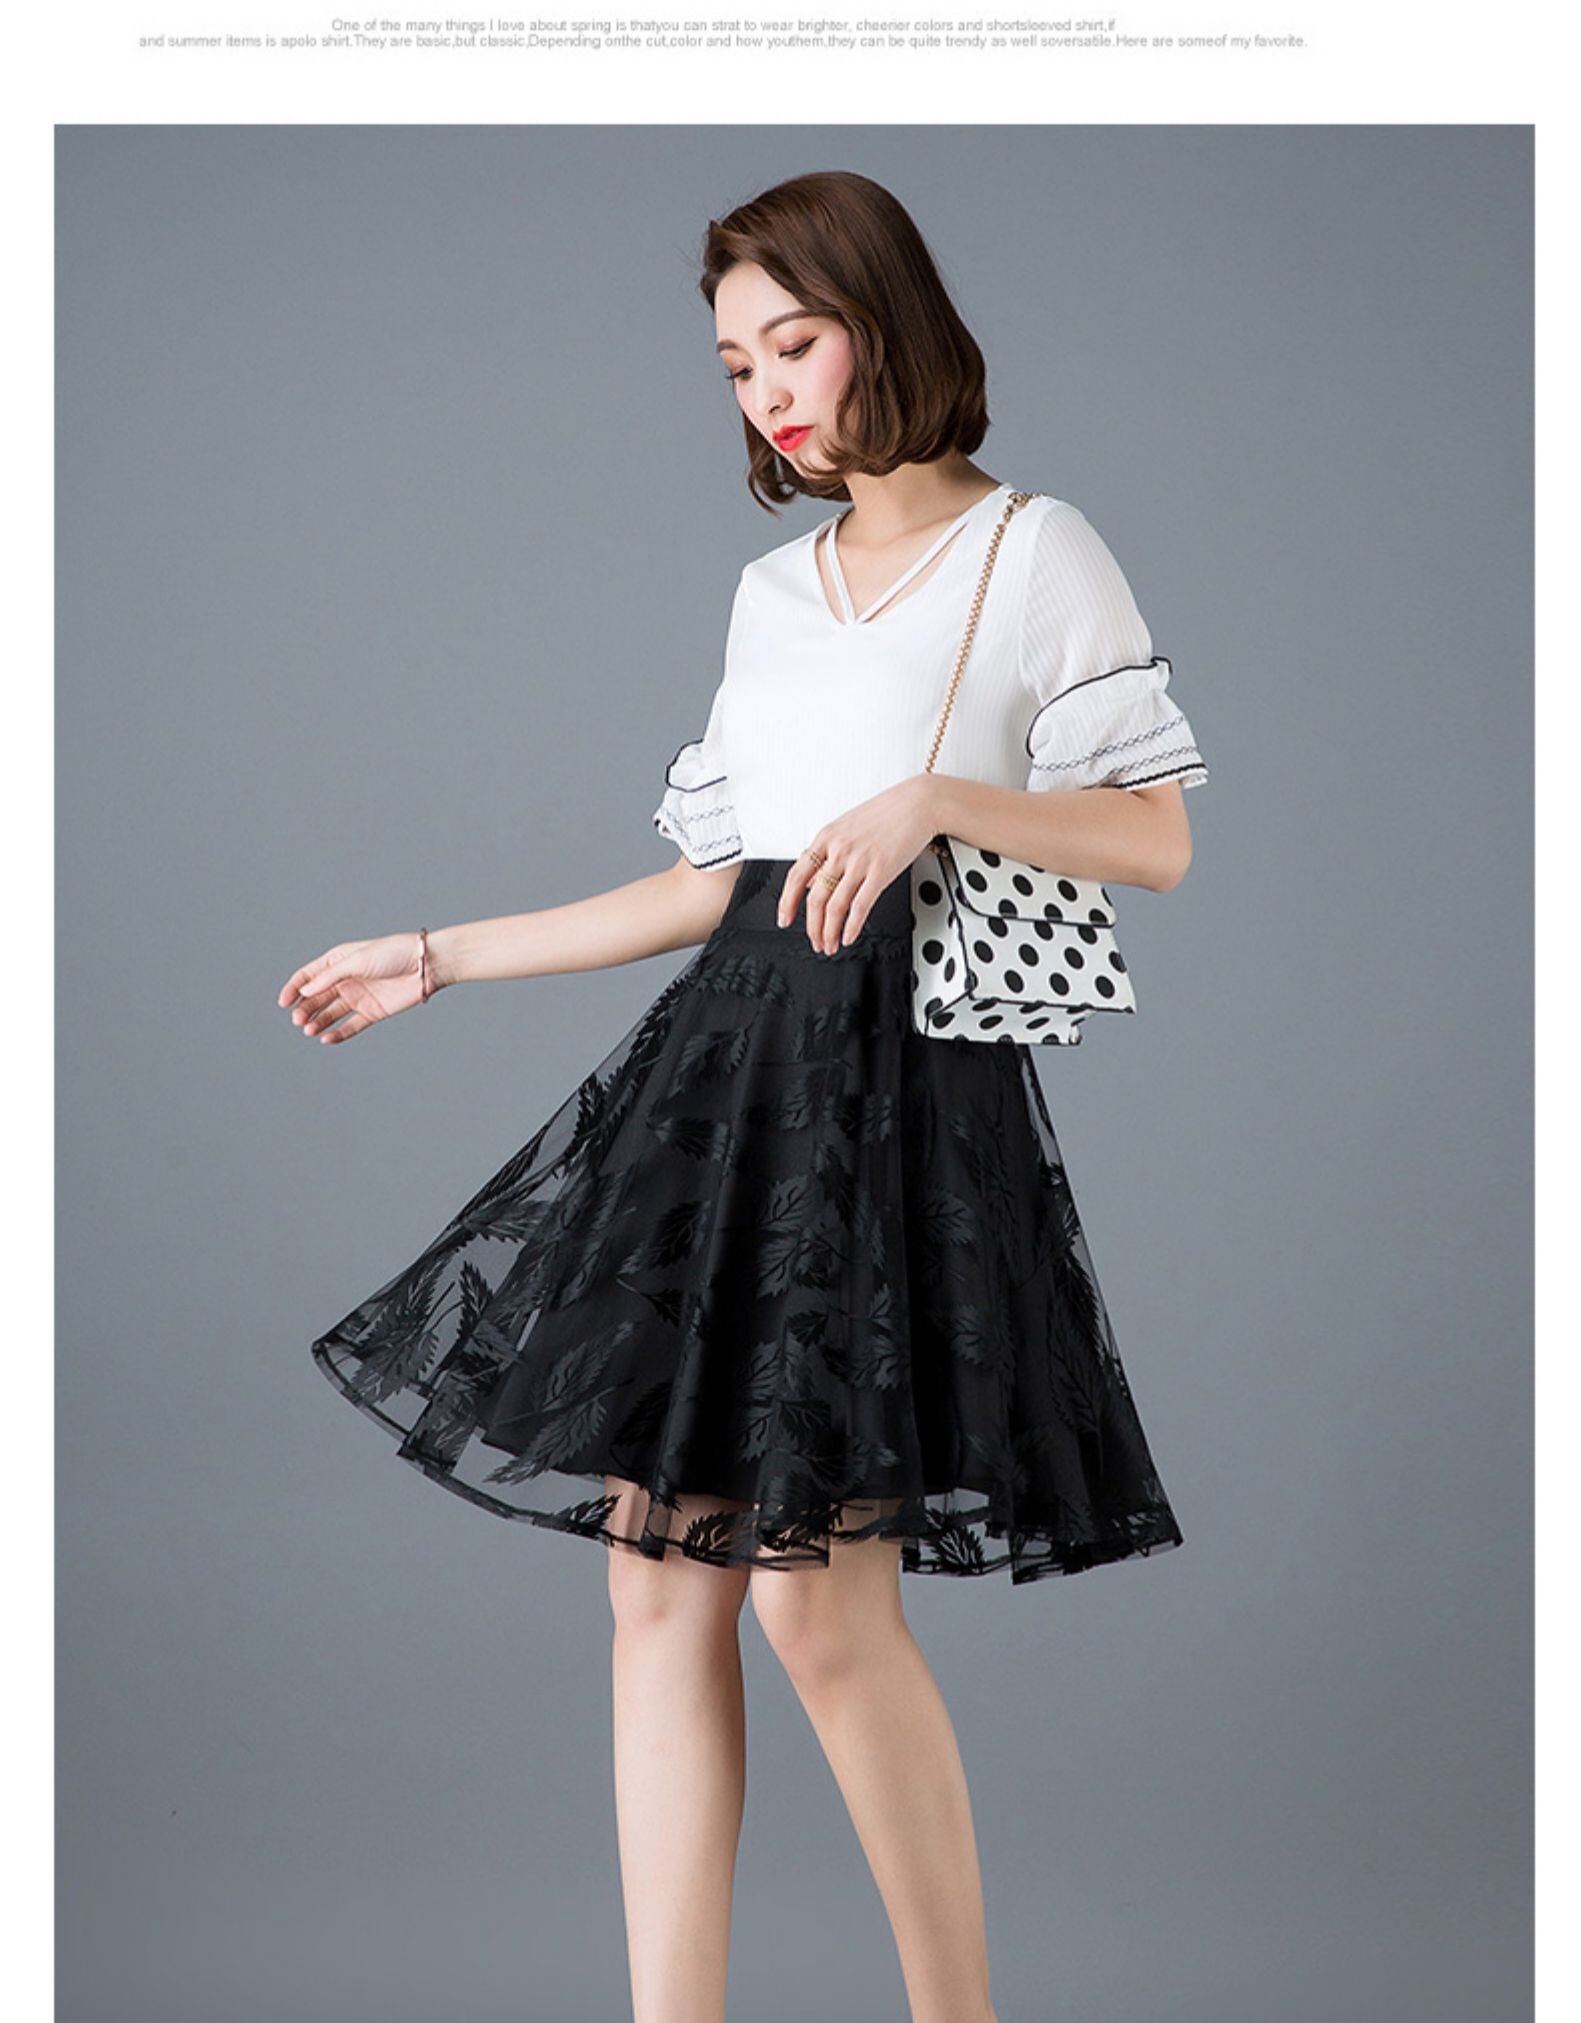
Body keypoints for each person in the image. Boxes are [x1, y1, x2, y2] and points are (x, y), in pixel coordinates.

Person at [278, 169, 1208, 2023]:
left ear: (884, 321)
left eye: (794, 341)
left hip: (889, 1099)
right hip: (715, 1092)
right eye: (732, 365)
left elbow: (1153, 838)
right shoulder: (770, 592)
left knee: (815, 1603)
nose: (767, 390)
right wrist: (438, 953)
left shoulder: (1035, 550)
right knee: (652, 1586)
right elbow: (717, 883)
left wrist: (935, 801)